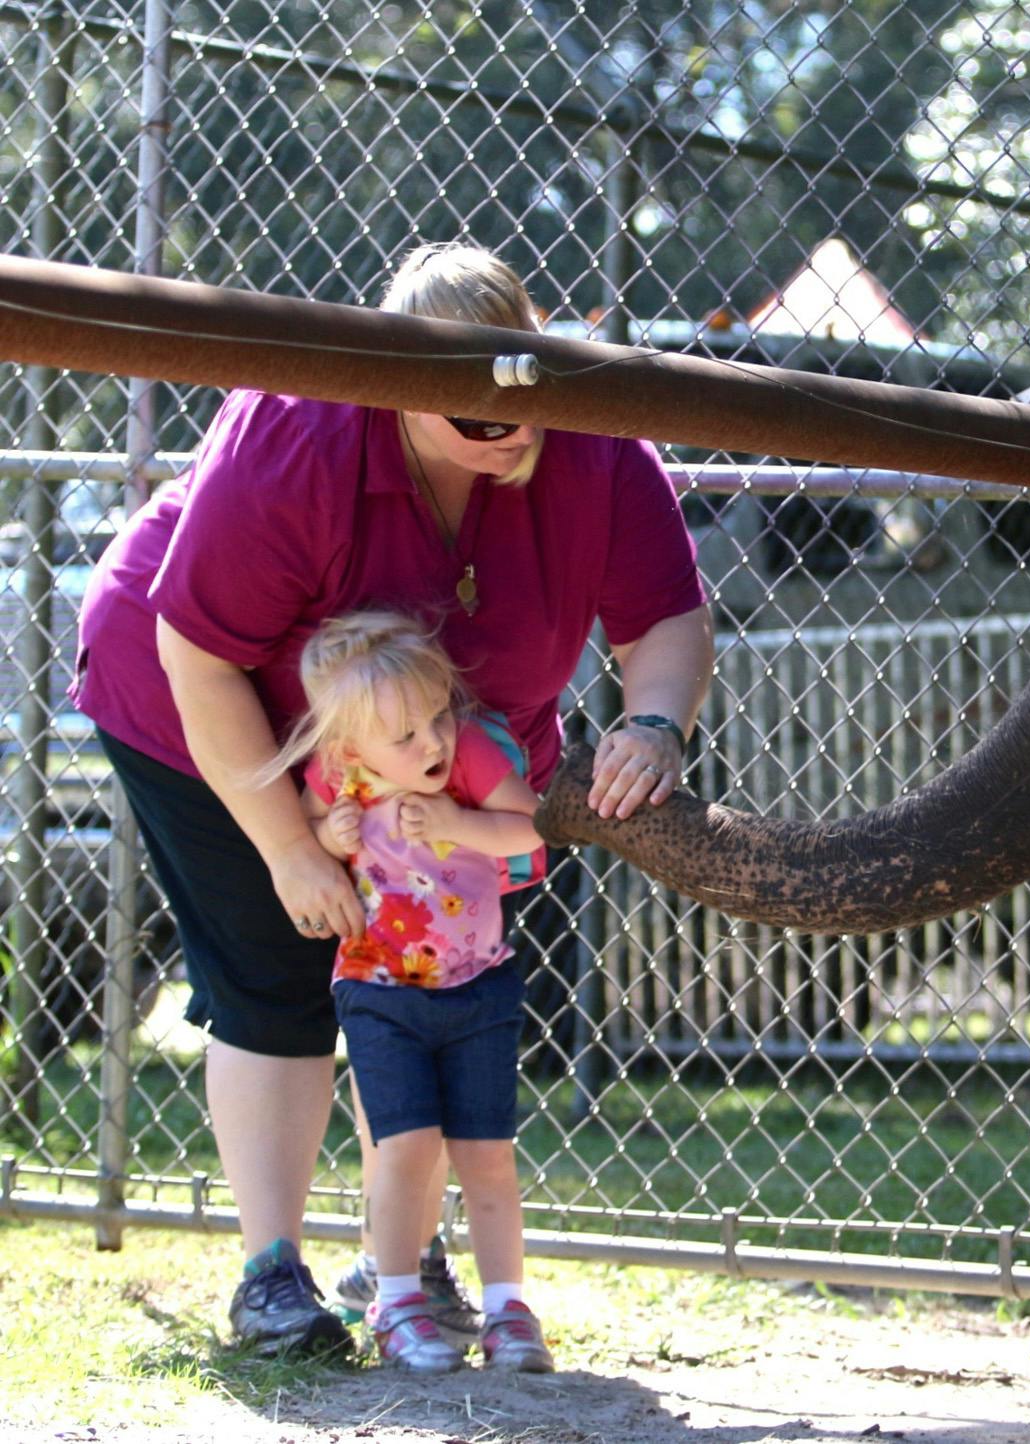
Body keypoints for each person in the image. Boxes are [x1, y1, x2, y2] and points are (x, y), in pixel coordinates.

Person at [72, 241, 714, 1356]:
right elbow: (199, 655)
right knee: (281, 963)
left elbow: (666, 615)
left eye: (519, 401)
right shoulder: (301, 426)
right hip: (213, 708)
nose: (506, 428)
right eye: (469, 412)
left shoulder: (595, 436)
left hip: (439, 744)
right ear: (401, 397)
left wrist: (653, 719)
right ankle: (272, 1276)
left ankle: (401, 1257)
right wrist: (289, 847)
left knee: (419, 968)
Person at [266, 609, 551, 1372]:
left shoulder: (469, 764)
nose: (431, 743)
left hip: (478, 984)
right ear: (352, 747)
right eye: (406, 737)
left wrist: (459, 822)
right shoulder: (338, 773)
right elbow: (310, 819)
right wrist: (333, 837)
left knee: (488, 1154)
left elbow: (530, 831)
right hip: (379, 986)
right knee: (407, 1148)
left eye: (437, 719)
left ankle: (508, 1311)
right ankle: (396, 1303)